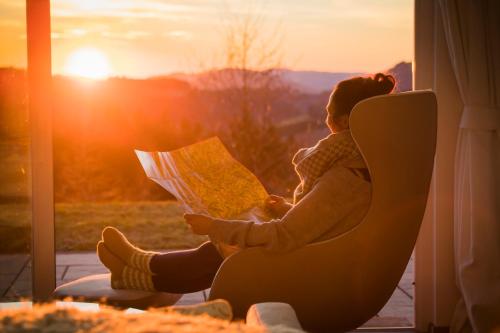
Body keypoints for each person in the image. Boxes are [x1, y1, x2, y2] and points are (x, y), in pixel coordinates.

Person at [97, 73, 396, 293]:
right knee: (226, 254)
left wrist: (212, 226)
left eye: (329, 114)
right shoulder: (359, 167)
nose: (326, 121)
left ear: (344, 122)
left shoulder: (346, 176)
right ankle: (135, 274)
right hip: (321, 260)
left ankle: (142, 264)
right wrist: (287, 208)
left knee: (227, 252)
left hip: (314, 272)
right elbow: (327, 221)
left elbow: (282, 236)